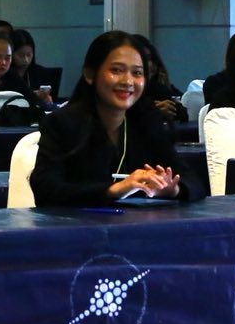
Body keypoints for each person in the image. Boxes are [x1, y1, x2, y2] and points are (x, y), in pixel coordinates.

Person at [31, 30, 188, 205]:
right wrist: (114, 190)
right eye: (116, 70)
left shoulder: (147, 121)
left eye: (137, 73)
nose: (127, 81)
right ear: (90, 74)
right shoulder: (62, 123)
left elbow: (192, 181)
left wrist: (173, 189)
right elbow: (45, 190)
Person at [129, 33, 186, 122]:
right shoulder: (126, 92)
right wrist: (152, 113)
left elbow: (183, 113)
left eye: (149, 58)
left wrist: (173, 111)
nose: (148, 64)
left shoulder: (159, 88)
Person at [4, 29, 58, 106]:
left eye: (29, 54)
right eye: (20, 55)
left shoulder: (39, 72)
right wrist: (32, 97)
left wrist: (47, 101)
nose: (26, 60)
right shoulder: (4, 73)